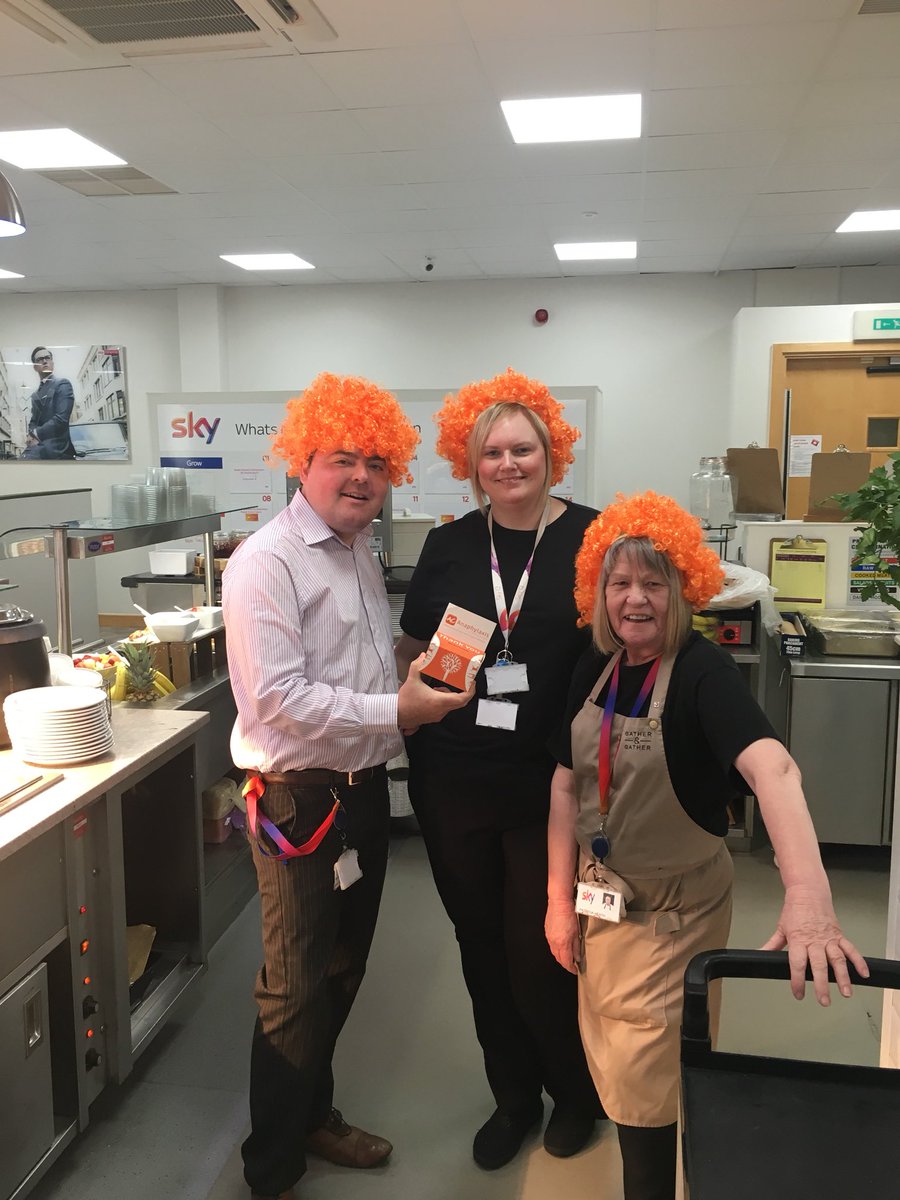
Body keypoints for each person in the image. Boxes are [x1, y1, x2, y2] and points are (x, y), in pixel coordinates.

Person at [546, 490, 869, 1200]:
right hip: (602, 905)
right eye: (620, 583)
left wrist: (809, 898)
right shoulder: (594, 665)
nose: (635, 600)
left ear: (683, 589)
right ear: (598, 592)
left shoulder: (700, 673)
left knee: (645, 1086)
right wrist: (556, 901)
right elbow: (566, 785)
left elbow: (774, 769)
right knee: (620, 1062)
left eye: (653, 583)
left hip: (671, 916)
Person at [224, 373, 474, 1200]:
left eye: (376, 460)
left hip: (362, 791)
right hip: (299, 799)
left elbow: (358, 665)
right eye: (342, 458)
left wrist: (421, 670)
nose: (361, 475)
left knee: (341, 968)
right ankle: (272, 1167)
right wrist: (397, 707)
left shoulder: (360, 549)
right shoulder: (267, 562)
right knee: (292, 987)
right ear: (304, 459)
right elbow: (277, 701)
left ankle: (314, 1115)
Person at [395, 368, 603, 1171]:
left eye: (524, 449)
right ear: (471, 462)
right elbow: (418, 647)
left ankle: (574, 1093)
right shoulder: (450, 545)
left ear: (553, 454)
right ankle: (513, 1098)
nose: (508, 464)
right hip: (453, 780)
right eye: (492, 453)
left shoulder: (591, 538)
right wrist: (413, 695)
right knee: (479, 948)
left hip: (547, 785)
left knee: (541, 949)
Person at [22, 346, 76, 459]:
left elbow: (61, 419)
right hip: (40, 448)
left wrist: (35, 434)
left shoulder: (62, 384)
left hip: (58, 450)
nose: (45, 361)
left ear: (52, 362)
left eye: (48, 358)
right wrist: (31, 434)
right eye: (40, 359)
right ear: (35, 367)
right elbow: (33, 421)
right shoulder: (35, 394)